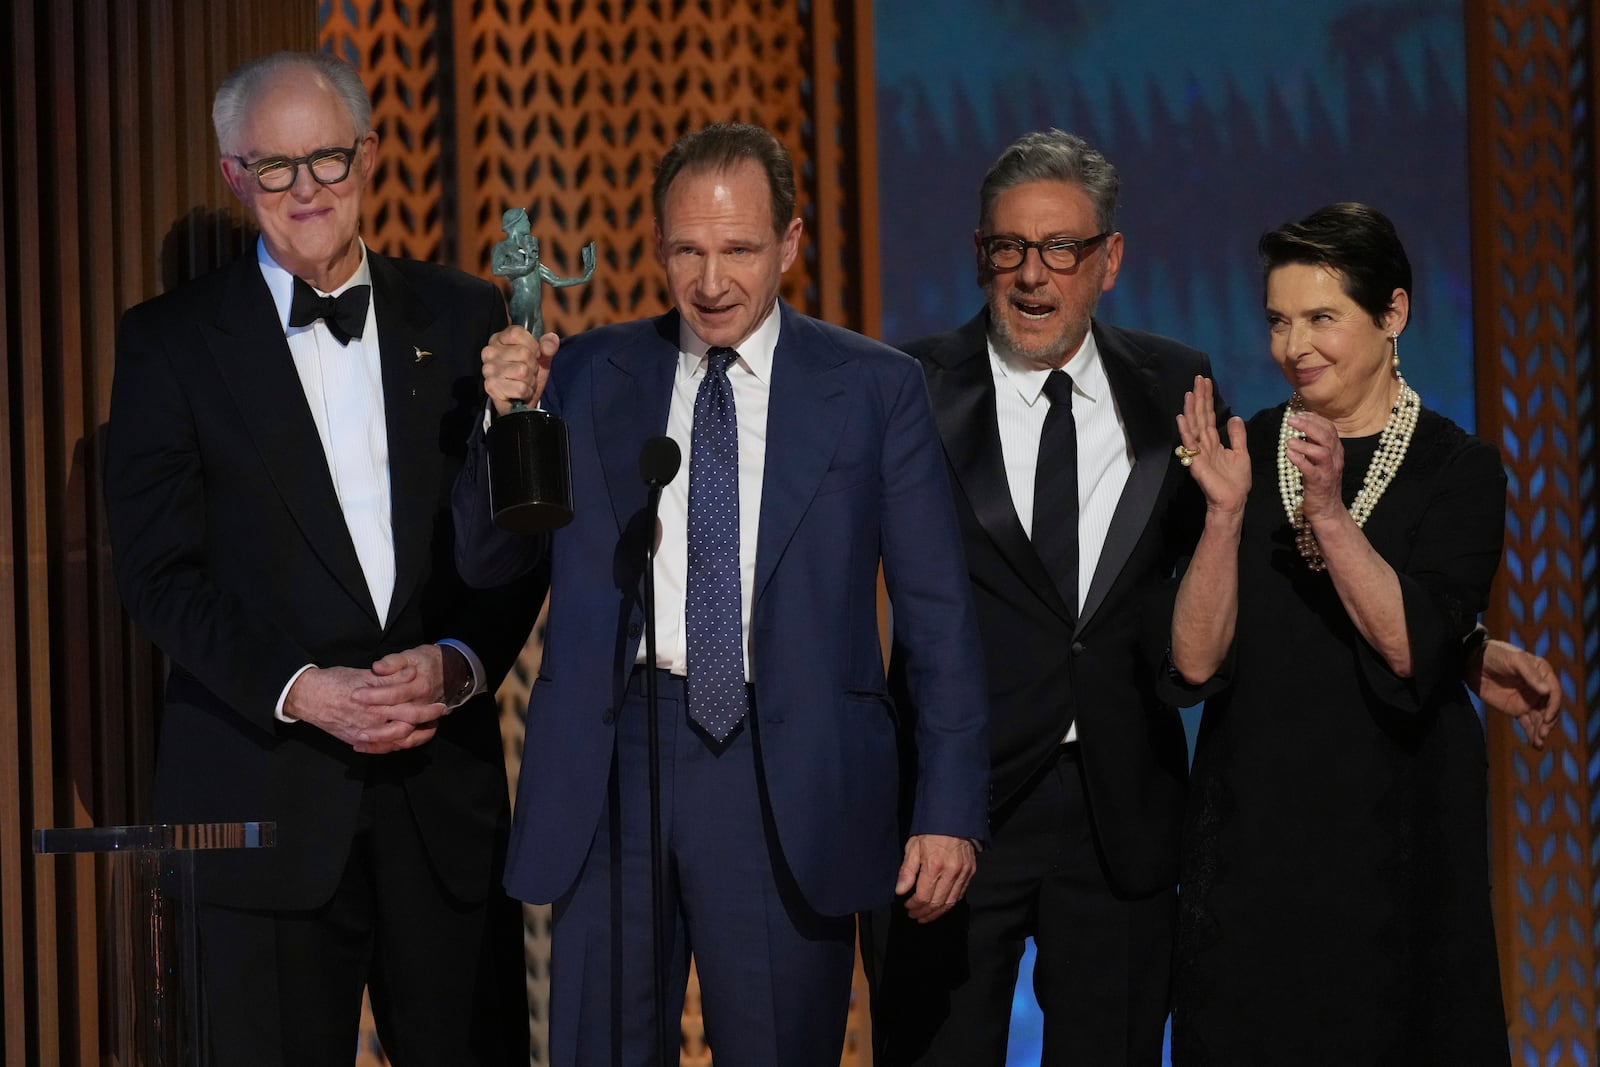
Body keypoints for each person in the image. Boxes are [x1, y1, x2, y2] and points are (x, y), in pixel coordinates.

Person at [866, 131, 1559, 1067]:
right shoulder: (909, 389)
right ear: (980, 252)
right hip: (962, 811)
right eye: (1009, 249)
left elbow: (1285, 585)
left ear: (1110, 258)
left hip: (1132, 818)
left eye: (1062, 248)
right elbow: (1223, 587)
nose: (1034, 275)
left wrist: (1468, 646)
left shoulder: (1172, 388)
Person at [452, 121, 990, 1067]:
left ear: (789, 243)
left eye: (738, 249)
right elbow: (490, 563)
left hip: (784, 771)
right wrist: (508, 423)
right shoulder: (582, 373)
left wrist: (946, 804)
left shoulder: (875, 388)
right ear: (658, 247)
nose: (711, 282)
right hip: (615, 760)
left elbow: (939, 616)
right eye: (687, 251)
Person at [104, 51, 542, 1066]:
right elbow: (159, 575)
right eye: (276, 168)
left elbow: (516, 540)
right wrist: (303, 689)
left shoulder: (468, 316)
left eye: (329, 162)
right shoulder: (168, 344)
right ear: (232, 174)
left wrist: (463, 663)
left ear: (370, 158)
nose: (306, 191)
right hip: (265, 803)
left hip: (441, 800)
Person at [1168, 202, 1510, 1064]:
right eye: (1280, 320)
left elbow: (1411, 645)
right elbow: (1195, 659)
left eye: (1323, 318)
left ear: (1392, 314)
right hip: (1254, 848)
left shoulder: (1459, 470)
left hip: (1398, 852)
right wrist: (1222, 516)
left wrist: (1327, 511)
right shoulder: (1242, 455)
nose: (1295, 346)